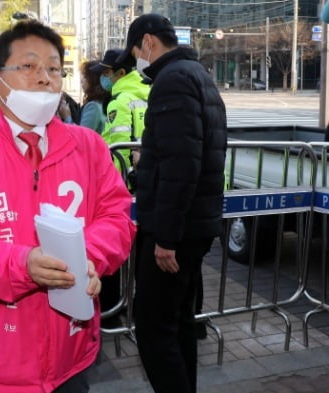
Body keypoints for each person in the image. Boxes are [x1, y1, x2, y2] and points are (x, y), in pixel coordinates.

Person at [0, 20, 135, 393]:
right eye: (29, 66)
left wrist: (91, 256)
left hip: (71, 350)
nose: (44, 78)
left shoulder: (89, 147)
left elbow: (116, 218)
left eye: (54, 68)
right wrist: (22, 265)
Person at [119, 13, 227, 393]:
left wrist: (165, 237)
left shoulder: (172, 81)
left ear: (148, 43)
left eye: (135, 52)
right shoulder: (196, 74)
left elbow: (181, 165)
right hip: (194, 223)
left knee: (152, 328)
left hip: (175, 231)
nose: (137, 62)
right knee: (178, 321)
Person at [91, 48, 149, 182]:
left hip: (124, 180)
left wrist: (118, 182)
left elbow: (120, 149)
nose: (103, 78)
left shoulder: (119, 102)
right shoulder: (146, 94)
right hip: (141, 174)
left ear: (121, 73)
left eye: (106, 73)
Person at [78, 60, 108, 134]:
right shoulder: (104, 101)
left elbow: (82, 136)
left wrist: (67, 117)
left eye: (85, 77)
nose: (81, 81)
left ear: (94, 80)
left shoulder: (93, 106)